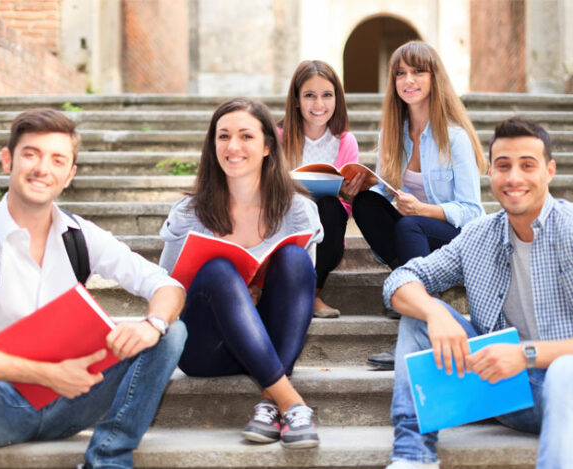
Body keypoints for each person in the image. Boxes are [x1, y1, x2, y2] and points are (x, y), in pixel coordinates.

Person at [0, 109, 187, 469]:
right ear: (8, 159)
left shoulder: (80, 235)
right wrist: (49, 375)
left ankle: (107, 460)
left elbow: (168, 285)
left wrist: (152, 325)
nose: (44, 169)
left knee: (170, 331)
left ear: (69, 174)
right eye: (31, 154)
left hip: (73, 400)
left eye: (57, 159)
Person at [383, 117, 573, 469]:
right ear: (490, 174)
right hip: (501, 389)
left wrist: (525, 354)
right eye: (503, 166)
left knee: (565, 372)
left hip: (566, 396)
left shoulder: (570, 230)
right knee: (418, 316)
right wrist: (436, 312)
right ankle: (413, 457)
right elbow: (401, 279)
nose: (514, 178)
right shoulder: (477, 236)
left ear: (549, 171)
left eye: (527, 165)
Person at [159, 98, 323, 448]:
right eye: (223, 136)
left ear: (267, 147)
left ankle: (268, 402)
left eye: (246, 136)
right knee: (219, 271)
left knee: (295, 260)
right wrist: (227, 293)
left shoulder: (299, 210)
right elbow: (163, 288)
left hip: (268, 339)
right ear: (212, 144)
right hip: (208, 347)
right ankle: (291, 403)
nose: (233, 146)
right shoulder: (189, 213)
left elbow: (300, 290)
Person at [353, 41, 487, 370]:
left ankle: (415, 323)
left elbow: (472, 211)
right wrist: (363, 187)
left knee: (410, 224)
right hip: (412, 234)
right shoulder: (392, 133)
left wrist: (422, 210)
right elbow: (390, 196)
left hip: (452, 238)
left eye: (417, 72)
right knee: (366, 204)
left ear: (433, 78)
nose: (408, 80)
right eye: (400, 73)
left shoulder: (454, 137)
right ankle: (416, 291)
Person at [281, 60, 365, 318]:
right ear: (296, 100)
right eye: (309, 96)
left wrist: (349, 194)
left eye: (327, 95)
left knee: (330, 206)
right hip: (286, 221)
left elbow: (345, 208)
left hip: (326, 227)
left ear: (337, 99)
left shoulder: (345, 141)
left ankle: (313, 294)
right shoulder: (279, 136)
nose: (319, 104)